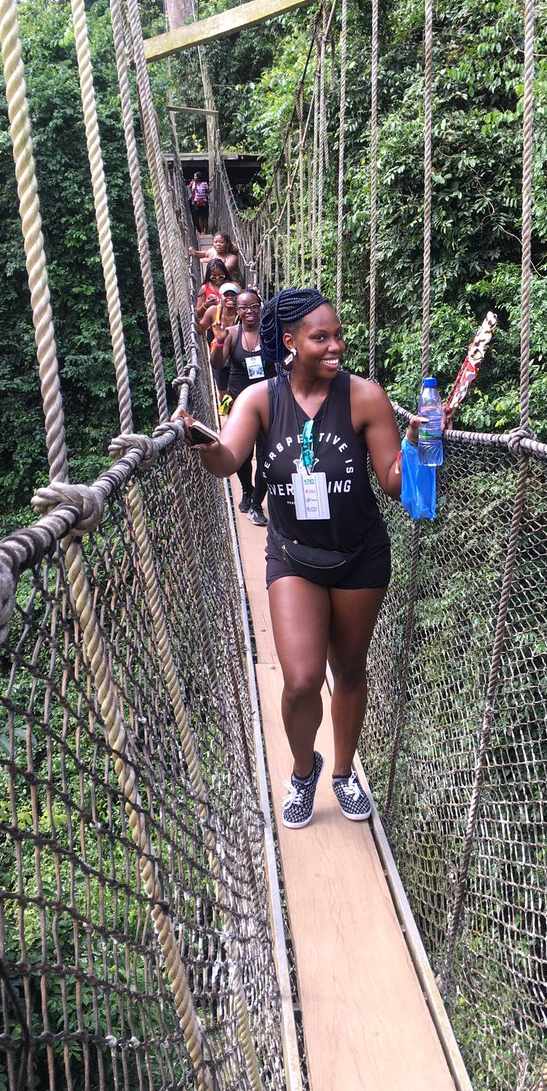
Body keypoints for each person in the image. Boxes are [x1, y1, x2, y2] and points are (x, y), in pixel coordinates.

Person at [179, 287, 418, 829]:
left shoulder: (364, 397)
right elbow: (227, 460)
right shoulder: (262, 398)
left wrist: (420, 448)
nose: (336, 346)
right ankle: (303, 770)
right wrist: (195, 438)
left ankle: (341, 772)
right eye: (321, 337)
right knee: (302, 680)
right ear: (289, 342)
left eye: (337, 335)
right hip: (292, 557)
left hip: (360, 556)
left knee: (350, 671)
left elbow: (394, 482)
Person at [210, 288, 275, 525]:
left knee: (267, 455)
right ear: (237, 311)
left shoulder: (270, 333)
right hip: (241, 405)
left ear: (261, 307)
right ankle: (247, 490)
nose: (250, 312)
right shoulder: (232, 334)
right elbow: (216, 362)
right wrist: (218, 340)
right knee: (243, 457)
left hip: (270, 403)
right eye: (244, 308)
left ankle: (257, 504)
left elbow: (284, 361)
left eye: (254, 306)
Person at [210, 281, 240, 413]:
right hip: (220, 353)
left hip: (235, 353)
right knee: (223, 391)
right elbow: (200, 328)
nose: (230, 297)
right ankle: (227, 413)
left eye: (233, 295)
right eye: (226, 294)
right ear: (220, 296)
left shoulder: (242, 312)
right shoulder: (214, 312)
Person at [194, 259, 230, 335]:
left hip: (230, 326)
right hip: (212, 328)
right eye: (214, 277)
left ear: (225, 274)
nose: (217, 279)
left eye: (221, 276)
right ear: (209, 276)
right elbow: (197, 314)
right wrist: (205, 305)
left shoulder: (231, 286)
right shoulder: (205, 288)